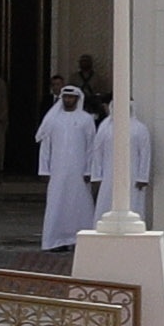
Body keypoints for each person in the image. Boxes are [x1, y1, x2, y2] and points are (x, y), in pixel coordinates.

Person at [33, 85, 98, 252]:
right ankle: (56, 240)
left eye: (72, 97)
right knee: (57, 202)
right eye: (66, 97)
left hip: (79, 171)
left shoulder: (85, 119)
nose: (69, 100)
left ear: (78, 99)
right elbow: (45, 146)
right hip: (57, 170)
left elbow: (91, 147)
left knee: (80, 204)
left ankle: (80, 240)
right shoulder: (53, 120)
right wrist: (44, 170)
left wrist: (89, 170)